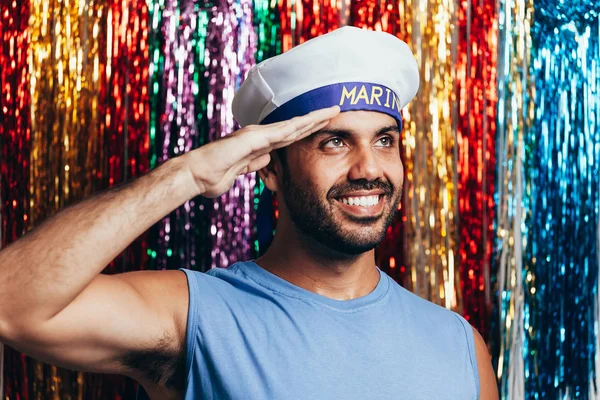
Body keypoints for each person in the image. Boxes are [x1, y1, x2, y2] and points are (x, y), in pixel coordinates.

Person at [0, 26, 498, 399]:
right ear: (270, 169)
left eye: (384, 141)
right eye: (334, 142)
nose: (368, 168)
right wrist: (189, 175)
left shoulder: (460, 346)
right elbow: (11, 305)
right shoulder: (196, 317)